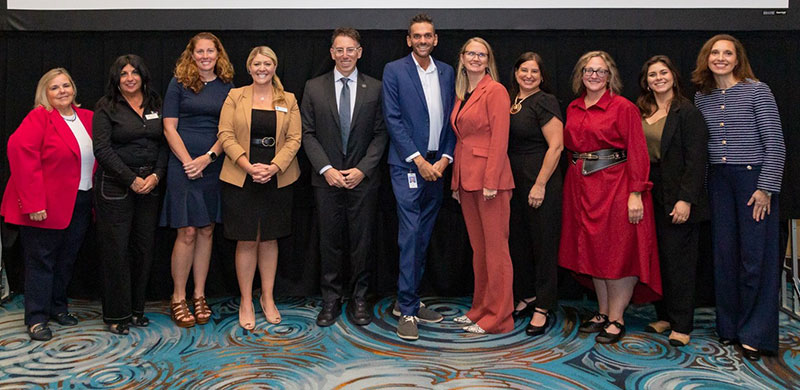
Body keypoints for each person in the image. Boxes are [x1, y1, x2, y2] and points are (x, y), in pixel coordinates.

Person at [692, 34, 785, 361]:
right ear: (707, 58)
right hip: (719, 182)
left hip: (753, 181)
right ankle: (730, 327)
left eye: (727, 53)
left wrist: (766, 187)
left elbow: (776, 144)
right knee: (725, 255)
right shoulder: (702, 98)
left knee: (755, 258)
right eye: (714, 52)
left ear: (737, 58)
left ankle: (755, 333)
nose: (720, 58)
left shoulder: (758, 90)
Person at [559, 51, 661, 344]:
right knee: (594, 253)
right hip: (581, 188)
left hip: (616, 187)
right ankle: (602, 313)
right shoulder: (574, 108)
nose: (594, 76)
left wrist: (636, 193)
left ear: (610, 76)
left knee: (618, 254)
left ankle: (617, 317)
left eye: (600, 71)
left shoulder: (623, 108)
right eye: (588, 71)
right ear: (581, 75)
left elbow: (638, 151)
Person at [301, 28, 388, 327]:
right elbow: (307, 133)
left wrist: (363, 169)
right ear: (331, 53)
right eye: (339, 50)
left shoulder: (375, 88)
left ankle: (360, 298)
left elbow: (381, 134)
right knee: (329, 241)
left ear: (360, 52)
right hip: (326, 180)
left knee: (362, 243)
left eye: (351, 49)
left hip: (363, 180)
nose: (345, 55)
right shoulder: (313, 87)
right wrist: (327, 169)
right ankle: (331, 298)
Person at [1, 68, 94, 341]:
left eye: (66, 85)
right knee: (41, 261)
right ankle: (36, 317)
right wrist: (33, 202)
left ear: (74, 89)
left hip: (80, 200)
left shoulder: (87, 117)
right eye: (55, 88)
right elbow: (20, 153)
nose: (62, 91)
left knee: (66, 260)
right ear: (45, 93)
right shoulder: (40, 117)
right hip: (45, 205)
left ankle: (57, 307)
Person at [382, 13, 454, 340]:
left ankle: (408, 299)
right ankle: (408, 311)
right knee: (410, 235)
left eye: (428, 36)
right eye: (416, 36)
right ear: (408, 40)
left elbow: (455, 118)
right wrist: (418, 160)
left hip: (438, 166)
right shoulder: (394, 70)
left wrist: (445, 159)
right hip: (407, 166)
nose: (423, 40)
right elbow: (393, 119)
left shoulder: (448, 72)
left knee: (423, 236)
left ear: (435, 39)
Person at [218, 46, 301, 330]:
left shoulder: (288, 99)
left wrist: (274, 167)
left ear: (274, 67)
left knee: (269, 239)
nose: (262, 68)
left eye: (267, 63)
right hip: (242, 176)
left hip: (277, 177)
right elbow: (225, 135)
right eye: (257, 64)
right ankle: (245, 300)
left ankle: (267, 297)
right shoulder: (234, 96)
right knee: (246, 239)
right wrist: (248, 166)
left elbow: (294, 139)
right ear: (249, 68)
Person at [162, 32, 234, 328]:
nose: (205, 56)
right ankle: (178, 297)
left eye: (210, 51)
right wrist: (188, 162)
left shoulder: (229, 87)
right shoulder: (178, 83)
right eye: (199, 52)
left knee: (206, 230)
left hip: (214, 163)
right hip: (182, 164)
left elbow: (229, 130)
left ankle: (199, 295)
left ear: (219, 55)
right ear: (191, 55)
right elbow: (168, 127)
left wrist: (208, 158)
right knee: (187, 232)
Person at [636, 55, 709, 347]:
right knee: (659, 258)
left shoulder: (686, 111)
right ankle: (664, 315)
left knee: (679, 262)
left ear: (673, 76)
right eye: (652, 74)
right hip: (651, 192)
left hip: (678, 194)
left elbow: (697, 160)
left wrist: (686, 200)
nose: (658, 78)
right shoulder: (643, 110)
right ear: (646, 81)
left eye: (663, 72)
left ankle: (681, 323)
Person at [93, 54, 167, 335]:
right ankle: (116, 314)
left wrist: (157, 175)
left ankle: (137, 310)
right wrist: (131, 179)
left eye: (134, 72)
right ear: (116, 78)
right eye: (123, 73)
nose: (129, 78)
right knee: (116, 252)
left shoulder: (155, 103)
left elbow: (165, 143)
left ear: (143, 75)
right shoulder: (106, 106)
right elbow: (102, 149)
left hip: (150, 183)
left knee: (144, 249)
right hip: (115, 186)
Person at [448, 38, 514, 334]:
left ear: (488, 60)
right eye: (471, 53)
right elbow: (463, 140)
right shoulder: (463, 93)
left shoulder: (496, 90)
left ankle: (499, 317)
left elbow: (500, 139)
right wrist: (456, 183)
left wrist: (491, 181)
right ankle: (480, 309)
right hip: (467, 181)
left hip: (491, 183)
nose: (475, 58)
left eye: (481, 54)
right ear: (461, 58)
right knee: (480, 250)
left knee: (496, 251)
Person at [506, 52, 564, 337]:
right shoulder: (511, 101)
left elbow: (556, 147)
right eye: (523, 70)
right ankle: (526, 295)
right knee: (519, 243)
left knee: (543, 246)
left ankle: (543, 306)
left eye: (534, 71)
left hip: (540, 182)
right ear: (515, 72)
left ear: (542, 76)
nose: (528, 75)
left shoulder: (545, 101)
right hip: (514, 184)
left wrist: (540, 184)